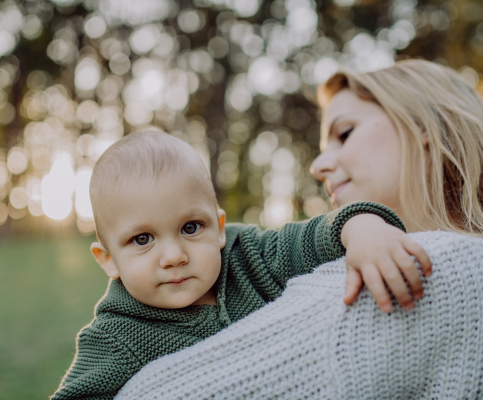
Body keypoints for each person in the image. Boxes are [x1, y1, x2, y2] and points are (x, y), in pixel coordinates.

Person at [114, 59, 483, 399]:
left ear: (424, 127)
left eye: (345, 133)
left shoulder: (448, 267)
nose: (318, 165)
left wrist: (361, 226)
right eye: (142, 238)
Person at [50, 130, 430, 400]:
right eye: (142, 239)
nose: (173, 255)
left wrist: (360, 228)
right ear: (108, 260)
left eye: (190, 227)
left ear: (217, 229)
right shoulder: (117, 335)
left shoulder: (247, 256)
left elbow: (311, 237)